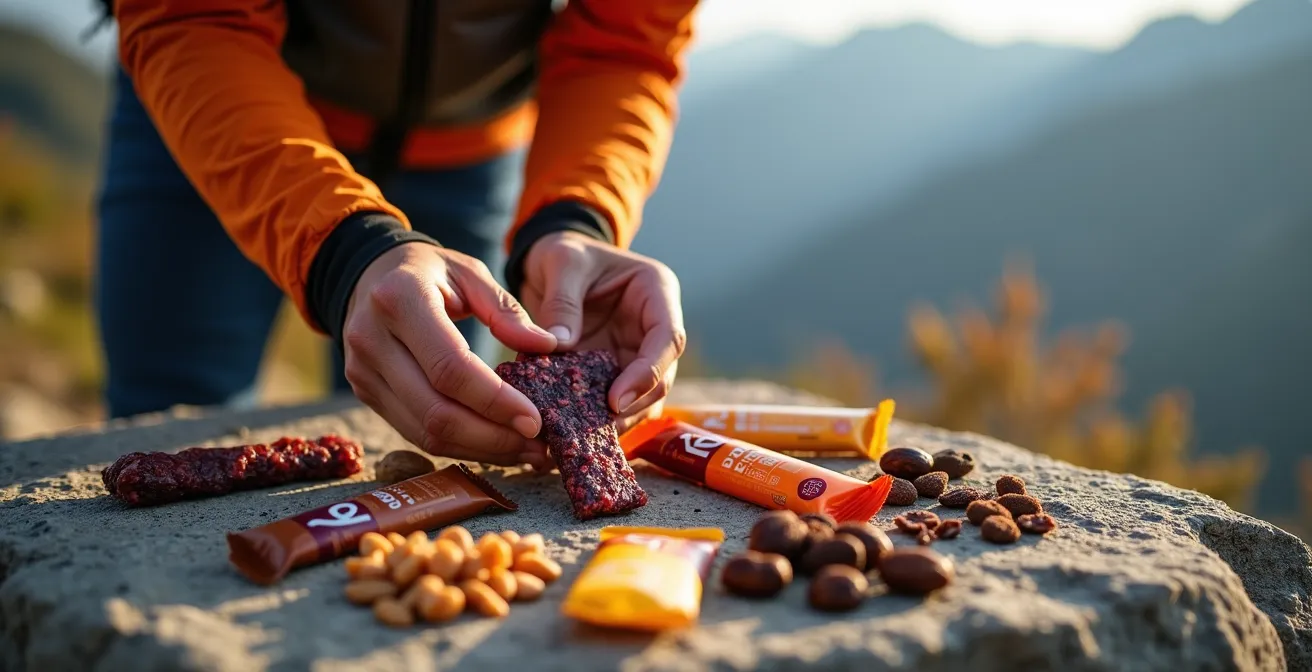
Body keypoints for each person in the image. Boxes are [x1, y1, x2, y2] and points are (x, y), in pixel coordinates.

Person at [94, 0, 696, 471]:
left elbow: (624, 44)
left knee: (446, 404)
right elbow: (194, 14)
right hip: (209, 107)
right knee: (169, 418)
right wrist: (345, 253)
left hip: (470, 152)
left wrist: (578, 214)